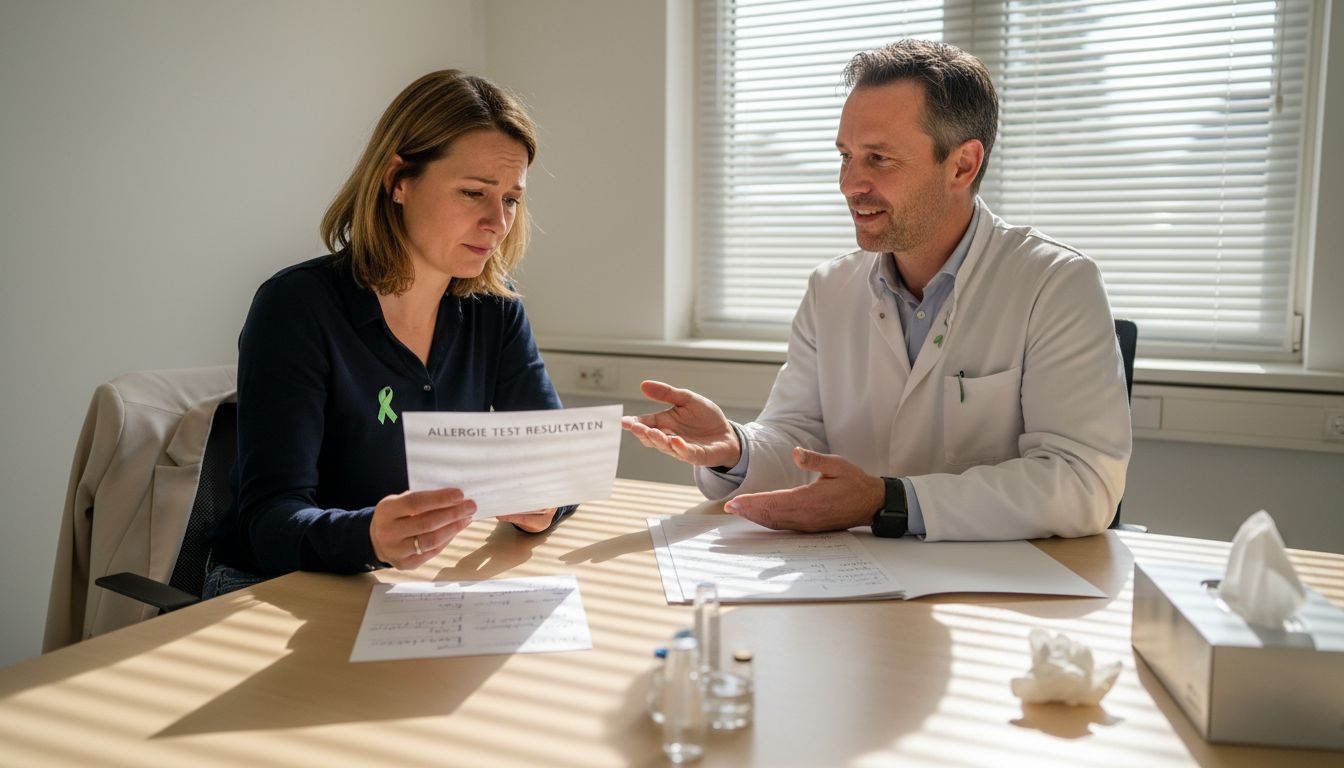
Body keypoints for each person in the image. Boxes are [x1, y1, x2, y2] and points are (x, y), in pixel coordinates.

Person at [623, 40, 1131, 542]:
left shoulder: (1056, 283)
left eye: (879, 158)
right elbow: (800, 440)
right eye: (845, 156)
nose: (849, 184)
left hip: (996, 595)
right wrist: (738, 448)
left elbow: (1082, 481)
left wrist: (889, 501)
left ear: (962, 165)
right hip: (855, 584)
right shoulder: (831, 287)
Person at [206, 70, 571, 596]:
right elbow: (267, 521)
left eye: (512, 199)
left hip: (409, 593)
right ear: (398, 180)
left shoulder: (496, 310)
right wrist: (369, 537)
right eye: (474, 193)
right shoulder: (296, 307)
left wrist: (544, 505)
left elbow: (557, 462)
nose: (498, 221)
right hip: (277, 592)